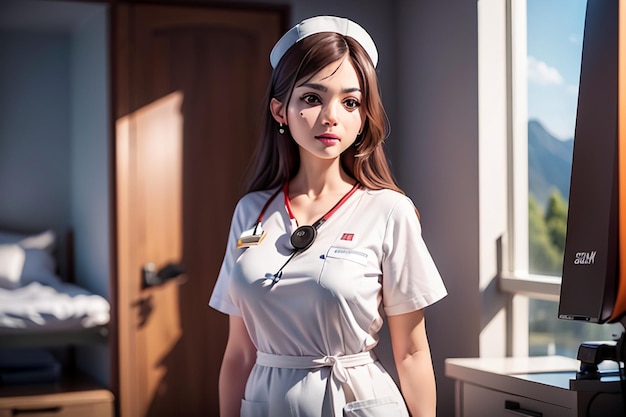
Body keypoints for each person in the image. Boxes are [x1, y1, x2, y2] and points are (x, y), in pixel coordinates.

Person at [209, 15, 447, 417]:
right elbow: (238, 352)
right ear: (280, 110)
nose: (331, 116)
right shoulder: (251, 212)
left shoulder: (389, 211)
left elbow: (411, 351)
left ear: (363, 116)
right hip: (266, 404)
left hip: (357, 401)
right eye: (312, 98)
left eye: (350, 101)